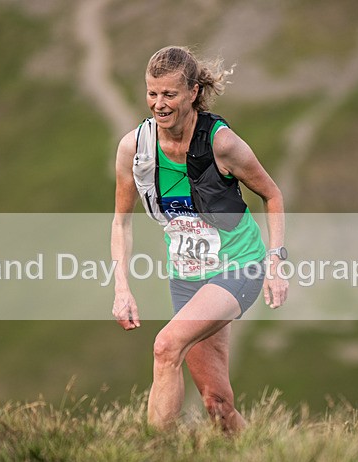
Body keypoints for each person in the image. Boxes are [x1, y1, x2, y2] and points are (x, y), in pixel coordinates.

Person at [111, 46, 288, 433]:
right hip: (187, 276)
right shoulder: (134, 149)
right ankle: (263, 459)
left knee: (166, 346)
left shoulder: (221, 144)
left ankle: (154, 458)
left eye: (169, 94)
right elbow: (121, 222)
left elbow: (272, 194)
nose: (159, 104)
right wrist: (121, 288)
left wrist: (276, 265)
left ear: (192, 92)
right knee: (217, 404)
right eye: (152, 93)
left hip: (239, 266)